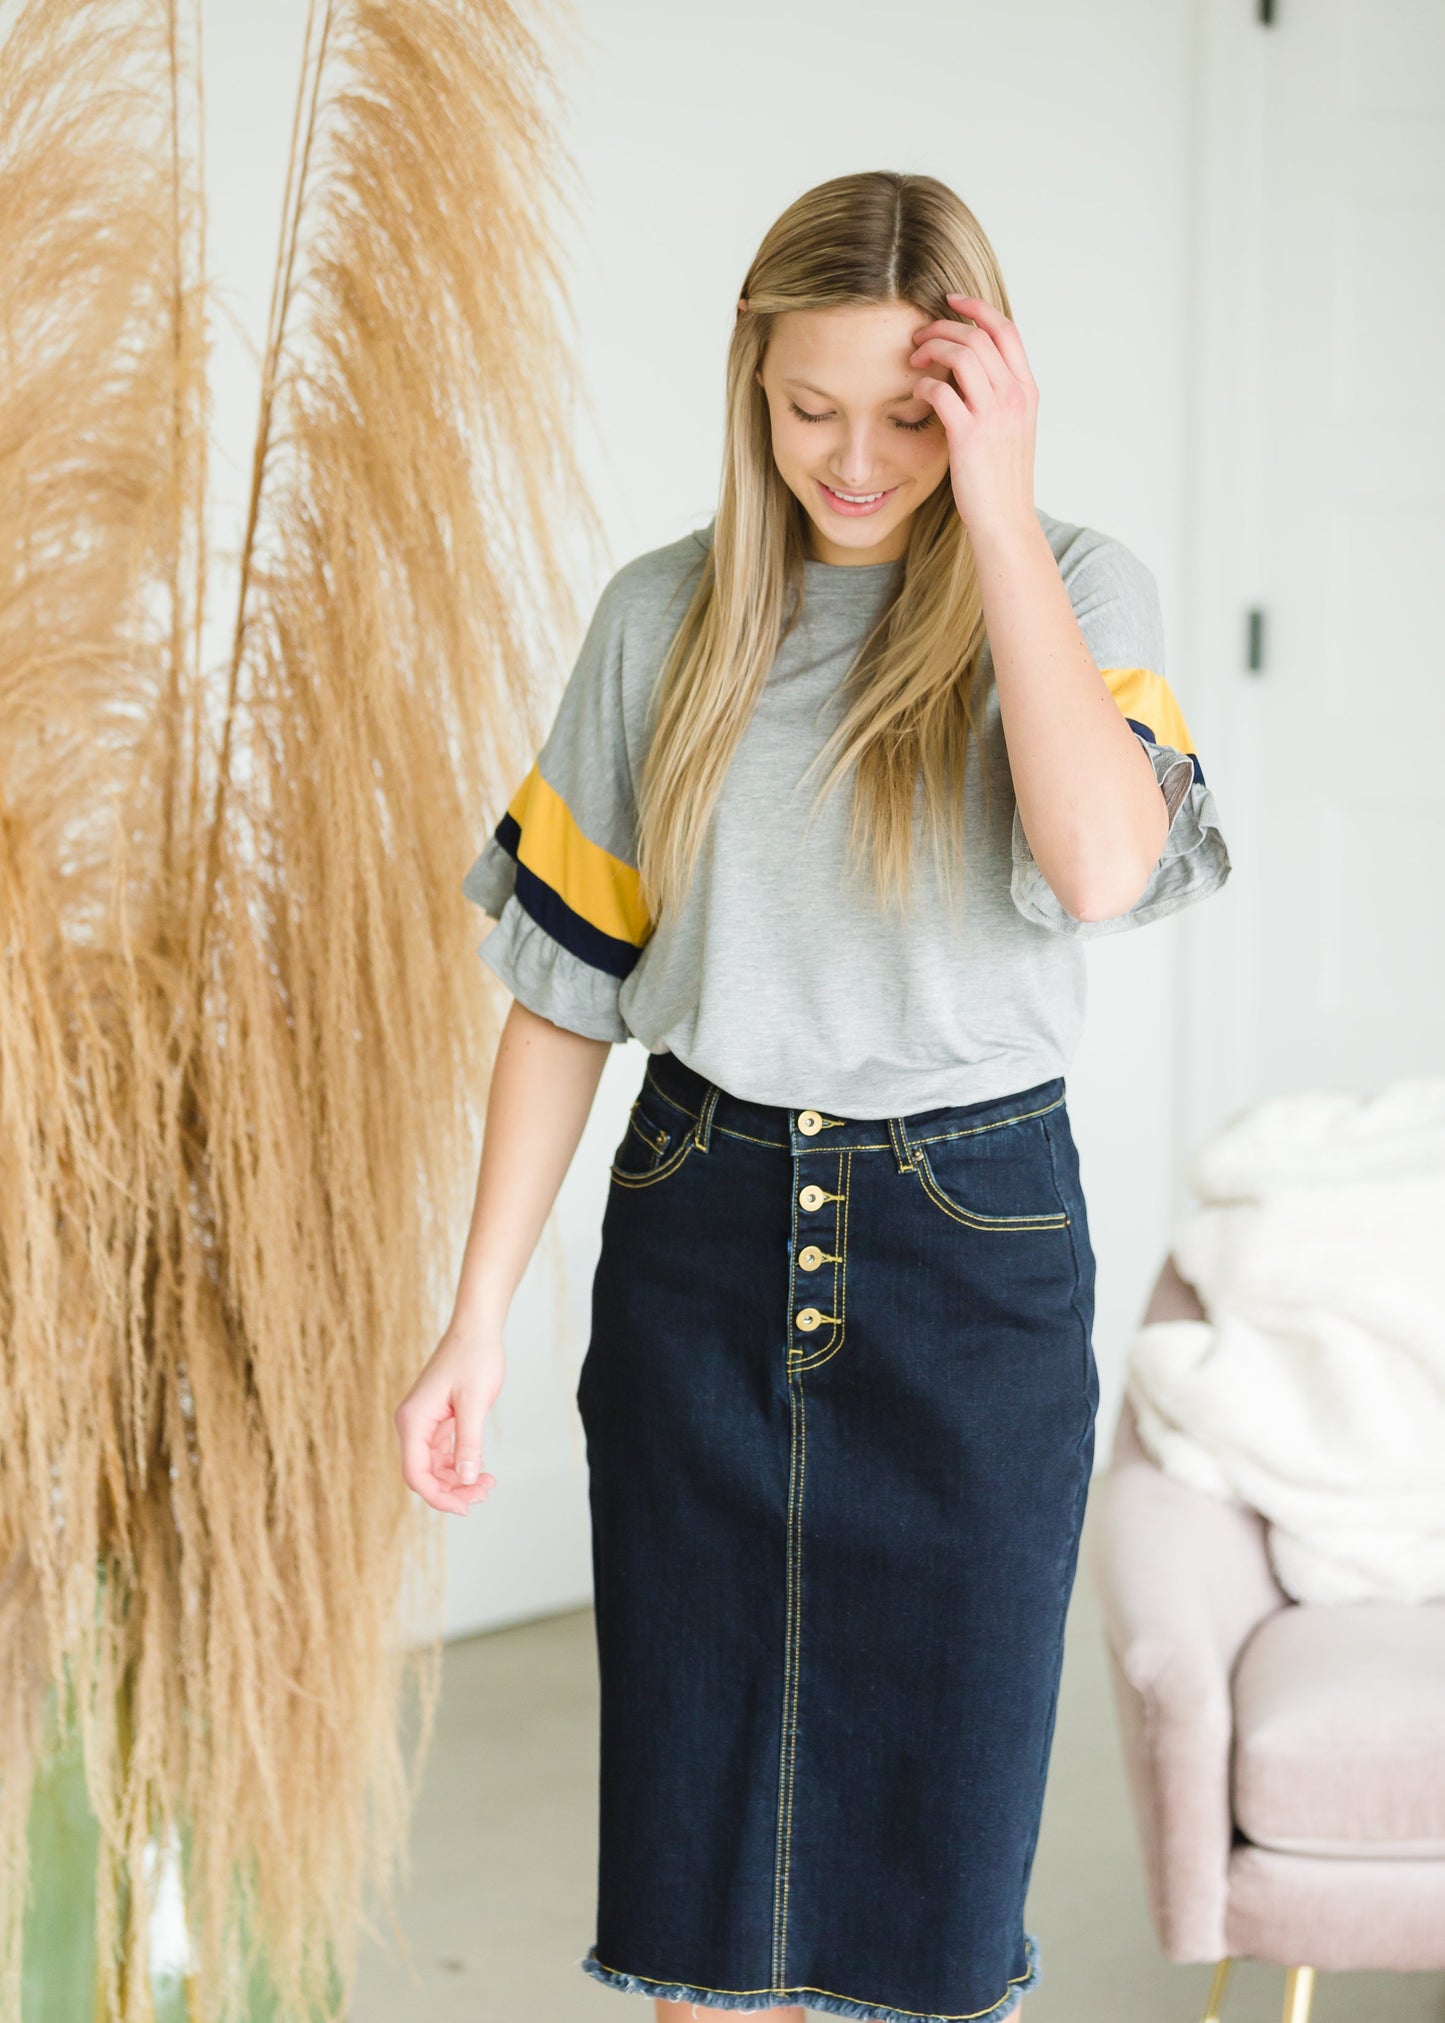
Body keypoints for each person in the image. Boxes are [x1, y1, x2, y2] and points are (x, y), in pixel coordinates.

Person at [394, 169, 1230, 2023]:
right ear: (747, 388)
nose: (852, 461)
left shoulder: (1077, 588)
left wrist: (995, 514)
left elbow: (1099, 867)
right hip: (696, 1237)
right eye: (807, 409)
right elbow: (560, 1000)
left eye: (909, 416)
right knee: (705, 1906)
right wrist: (471, 1329)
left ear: (983, 397)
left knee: (926, 1926)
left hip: (970, 1261)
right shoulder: (659, 619)